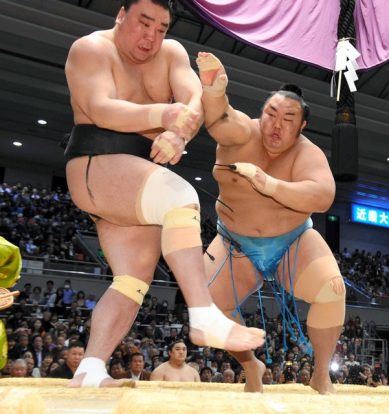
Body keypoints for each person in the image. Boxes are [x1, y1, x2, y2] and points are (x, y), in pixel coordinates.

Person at [64, 0, 264, 388]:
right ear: (121, 15)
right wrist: (162, 117)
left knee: (132, 281)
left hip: (136, 179)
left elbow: (193, 100)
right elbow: (100, 107)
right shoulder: (91, 49)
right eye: (144, 23)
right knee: (180, 196)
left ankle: (90, 368)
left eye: (161, 28)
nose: (151, 36)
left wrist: (180, 132)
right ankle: (203, 313)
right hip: (96, 162)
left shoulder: (171, 54)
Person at [196, 52, 346, 395]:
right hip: (234, 242)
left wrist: (268, 184)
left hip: (292, 240)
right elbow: (220, 121)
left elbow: (322, 196)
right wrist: (215, 92)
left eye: (288, 119)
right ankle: (252, 365)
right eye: (270, 114)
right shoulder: (241, 133)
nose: (276, 125)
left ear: (302, 125)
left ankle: (321, 373)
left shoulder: (308, 154)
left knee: (332, 290)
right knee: (205, 307)